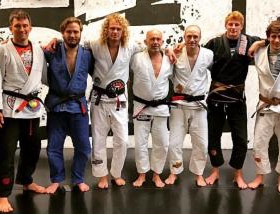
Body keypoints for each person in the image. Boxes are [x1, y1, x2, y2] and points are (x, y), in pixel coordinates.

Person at [0, 9, 47, 213]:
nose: (22, 29)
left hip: (32, 109)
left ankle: (26, 180)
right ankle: (3, 195)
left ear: (30, 27)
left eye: (25, 26)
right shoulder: (1, 50)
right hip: (9, 109)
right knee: (6, 152)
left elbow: (42, 78)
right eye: (17, 26)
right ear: (10, 28)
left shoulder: (38, 50)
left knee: (33, 148)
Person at [203, 11, 262, 189]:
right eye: (231, 24)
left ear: (241, 26)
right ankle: (215, 171)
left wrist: (257, 43)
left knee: (241, 138)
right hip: (216, 96)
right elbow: (198, 54)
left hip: (237, 97)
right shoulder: (214, 43)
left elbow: (270, 40)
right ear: (226, 25)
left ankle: (238, 173)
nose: (233, 27)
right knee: (213, 135)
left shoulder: (248, 41)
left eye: (237, 24)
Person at [87, 14, 143, 188]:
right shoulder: (95, 45)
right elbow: (72, 43)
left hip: (119, 100)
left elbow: (151, 48)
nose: (115, 31)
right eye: (112, 28)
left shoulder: (131, 47)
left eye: (118, 29)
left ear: (123, 31)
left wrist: (170, 51)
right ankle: (101, 175)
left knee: (122, 140)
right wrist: (55, 41)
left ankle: (116, 173)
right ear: (106, 29)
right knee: (98, 139)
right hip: (99, 99)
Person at [248, 20, 280, 192]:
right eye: (273, 37)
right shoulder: (259, 52)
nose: (277, 40)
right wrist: (257, 43)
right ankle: (259, 176)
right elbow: (235, 39)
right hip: (266, 105)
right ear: (268, 37)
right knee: (259, 143)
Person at [44, 17, 93, 194]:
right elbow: (31, 51)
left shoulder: (88, 54)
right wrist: (54, 41)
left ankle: (78, 178)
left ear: (80, 33)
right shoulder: (51, 51)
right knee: (54, 147)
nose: (72, 35)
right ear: (62, 33)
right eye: (69, 32)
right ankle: (56, 180)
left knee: (84, 147)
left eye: (75, 32)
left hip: (78, 106)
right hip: (57, 106)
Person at [165, 25, 213, 186]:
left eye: (195, 36)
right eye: (189, 36)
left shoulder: (208, 54)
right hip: (179, 105)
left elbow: (218, 72)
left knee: (201, 144)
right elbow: (165, 68)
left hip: (199, 105)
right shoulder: (176, 53)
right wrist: (167, 50)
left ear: (200, 38)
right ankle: (174, 171)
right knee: (174, 143)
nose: (192, 39)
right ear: (184, 37)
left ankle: (199, 174)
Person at [131, 29, 173, 188]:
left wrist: (170, 50)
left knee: (161, 142)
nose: (155, 42)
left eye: (158, 39)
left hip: (161, 107)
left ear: (162, 41)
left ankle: (157, 174)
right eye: (152, 39)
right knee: (140, 142)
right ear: (146, 41)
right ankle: (142, 174)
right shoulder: (136, 58)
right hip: (142, 106)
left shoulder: (169, 59)